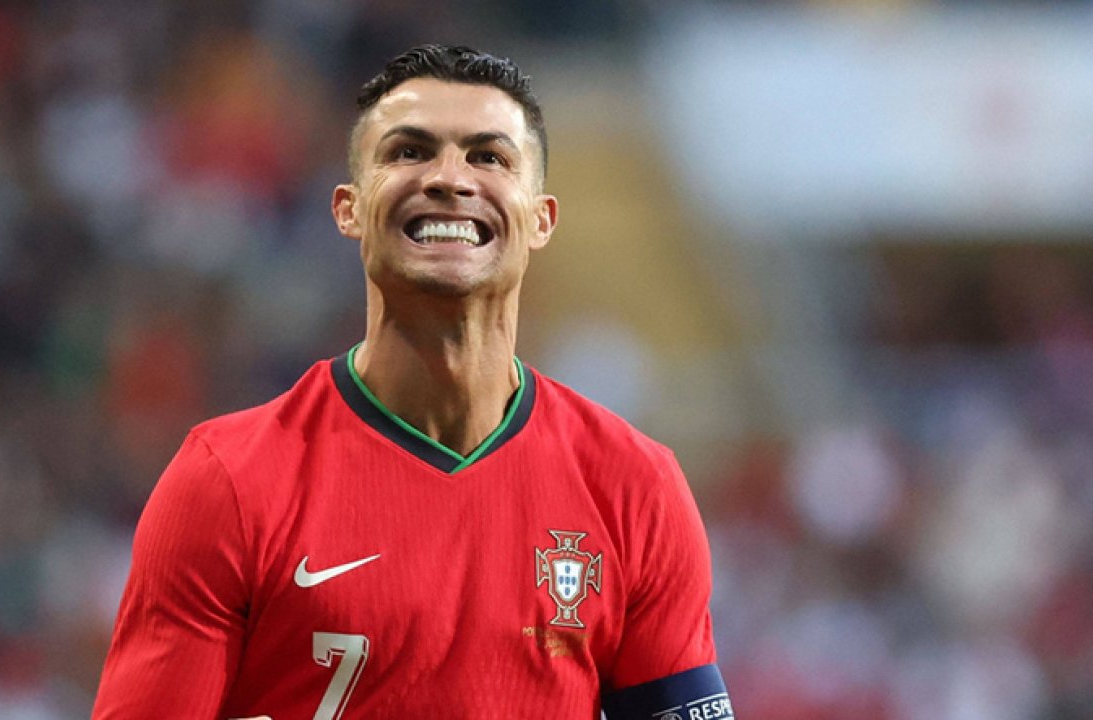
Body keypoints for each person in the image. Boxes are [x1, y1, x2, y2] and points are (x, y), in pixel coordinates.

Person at [92, 44, 733, 720]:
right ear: (348, 209)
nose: (449, 179)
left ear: (541, 219)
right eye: (409, 152)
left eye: (489, 157)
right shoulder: (227, 482)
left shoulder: (635, 487)